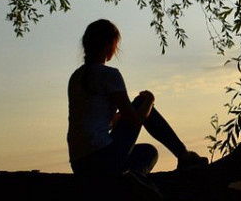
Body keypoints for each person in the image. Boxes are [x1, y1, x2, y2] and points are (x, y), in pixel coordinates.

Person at [67, 19, 207, 191]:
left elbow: (105, 122)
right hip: (103, 158)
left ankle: (135, 175)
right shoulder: (109, 74)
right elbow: (135, 121)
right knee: (141, 104)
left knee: (148, 151)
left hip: (80, 165)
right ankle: (181, 158)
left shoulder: (75, 77)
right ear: (109, 45)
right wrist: (149, 102)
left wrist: (128, 111)